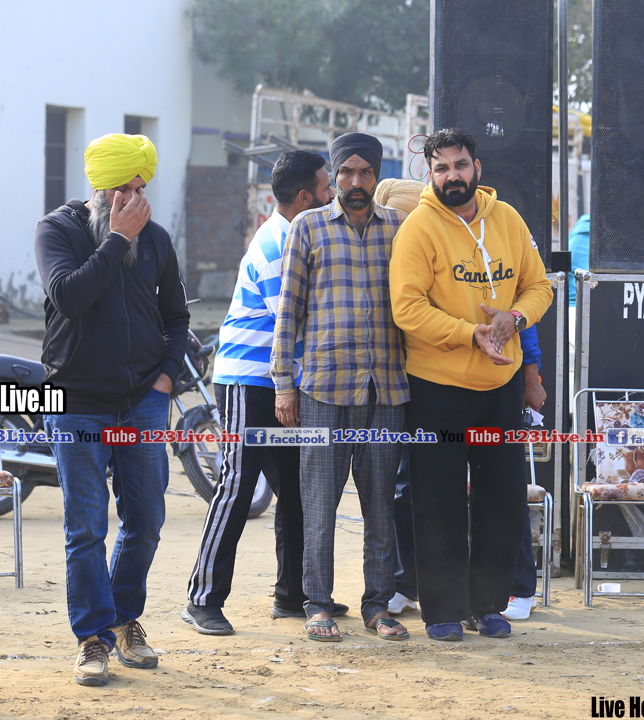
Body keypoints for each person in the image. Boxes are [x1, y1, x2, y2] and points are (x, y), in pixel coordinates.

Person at [35, 133, 190, 685]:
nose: (135, 199)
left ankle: (124, 620)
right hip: (76, 403)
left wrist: (165, 379)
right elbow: (69, 297)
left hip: (142, 403)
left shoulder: (158, 239)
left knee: (146, 521)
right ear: (100, 188)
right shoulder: (58, 231)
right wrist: (117, 239)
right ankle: (92, 638)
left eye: (141, 188)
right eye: (124, 188)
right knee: (85, 528)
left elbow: (177, 317)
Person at [389, 128, 552, 640]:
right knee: (436, 501)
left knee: (501, 499)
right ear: (430, 174)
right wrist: (470, 334)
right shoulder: (418, 228)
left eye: (460, 165)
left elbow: (538, 286)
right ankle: (442, 610)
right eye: (441, 168)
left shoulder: (508, 219)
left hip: (500, 387)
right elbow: (407, 308)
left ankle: (488, 606)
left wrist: (514, 319)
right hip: (437, 389)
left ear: (476, 168)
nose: (452, 176)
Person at [183, 150, 339, 635]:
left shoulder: (296, 236)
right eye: (328, 188)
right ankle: (202, 599)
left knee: (294, 489)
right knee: (236, 485)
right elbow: (295, 322)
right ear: (306, 197)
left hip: (281, 383)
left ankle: (292, 595)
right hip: (247, 382)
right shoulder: (278, 244)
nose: (334, 195)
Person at [271, 133, 410, 641]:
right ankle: (317, 605)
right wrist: (284, 384)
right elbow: (289, 310)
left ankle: (378, 606)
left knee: (380, 505)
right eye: (346, 172)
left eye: (365, 172)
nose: (355, 182)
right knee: (319, 503)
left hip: (386, 389)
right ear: (334, 176)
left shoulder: (399, 227)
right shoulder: (307, 227)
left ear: (377, 176)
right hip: (322, 389)